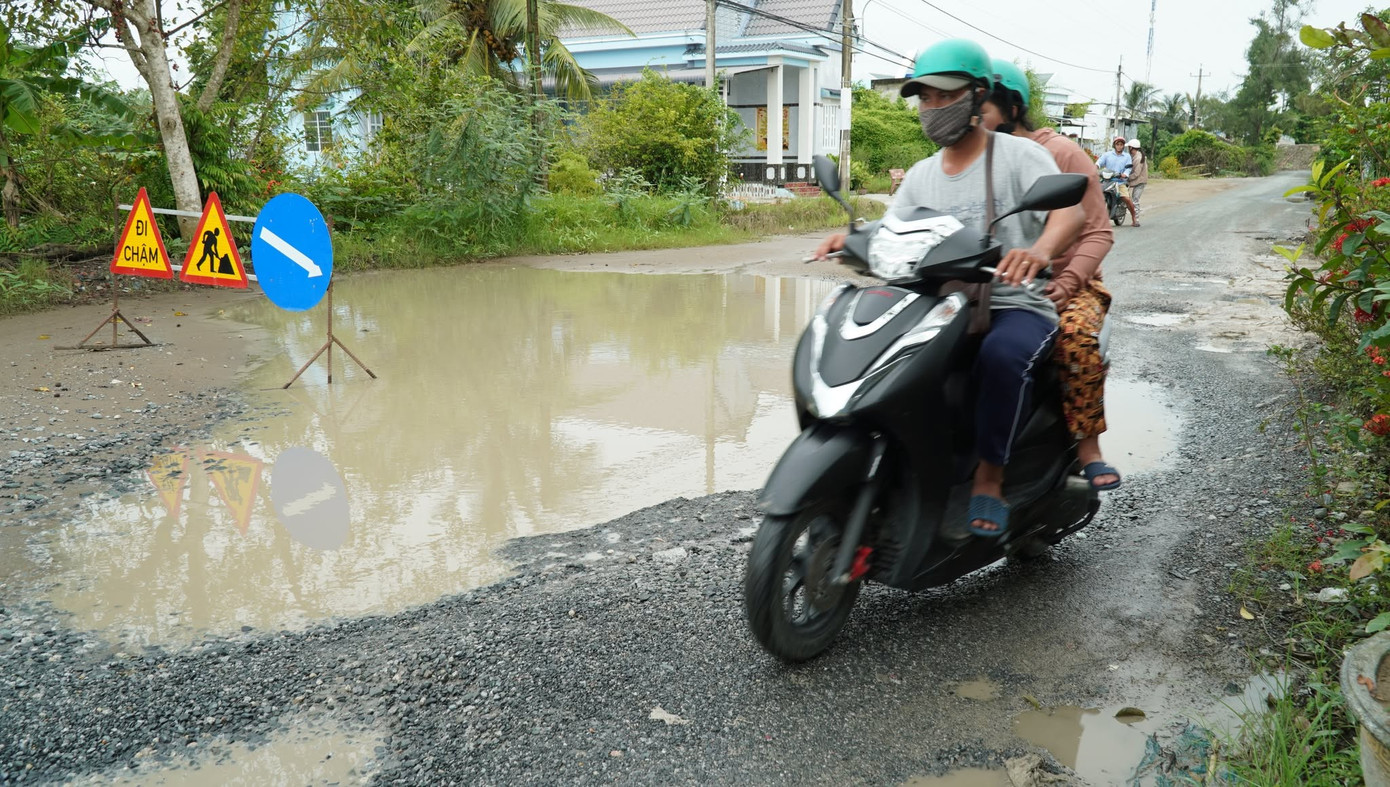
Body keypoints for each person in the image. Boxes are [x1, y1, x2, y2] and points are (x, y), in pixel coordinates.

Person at [813, 39, 1084, 537]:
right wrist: (852, 238)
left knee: (1001, 356)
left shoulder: (1019, 156)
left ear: (978, 95)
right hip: (940, 305)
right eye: (925, 98)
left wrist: (1041, 251)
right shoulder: (921, 175)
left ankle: (989, 478)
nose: (933, 107)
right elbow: (893, 231)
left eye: (945, 95)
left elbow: (1070, 213)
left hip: (1012, 301)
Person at [983, 59, 1121, 492]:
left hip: (1067, 285)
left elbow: (1097, 232)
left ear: (1012, 109)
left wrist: (1066, 283)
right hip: (994, 285)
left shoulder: (1061, 153)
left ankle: (1088, 447)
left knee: (1075, 336)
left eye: (981, 107)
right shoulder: (973, 158)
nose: (970, 117)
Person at [1096, 136, 1139, 227]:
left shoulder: (1127, 156)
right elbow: (1099, 162)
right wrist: (1095, 167)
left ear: (1123, 146)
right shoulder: (1107, 155)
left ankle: (1134, 218)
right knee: (1096, 195)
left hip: (1119, 182)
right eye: (1117, 144)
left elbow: (1128, 168)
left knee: (1127, 199)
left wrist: (1125, 174)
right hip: (1106, 181)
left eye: (1121, 144)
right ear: (1114, 145)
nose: (1119, 146)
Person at [1127, 138, 1148, 222]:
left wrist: (1127, 177)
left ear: (1131, 148)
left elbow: (1136, 173)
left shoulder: (1138, 158)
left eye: (1129, 147)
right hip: (1138, 181)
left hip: (1140, 181)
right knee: (1132, 199)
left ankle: (1136, 219)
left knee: (1135, 200)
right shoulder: (1136, 156)